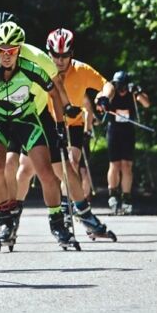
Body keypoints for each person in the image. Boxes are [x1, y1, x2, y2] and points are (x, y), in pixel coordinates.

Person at [0, 21, 81, 249]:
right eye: (2, 51)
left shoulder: (30, 66)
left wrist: (60, 126)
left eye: (12, 50)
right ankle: (4, 220)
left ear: (19, 49)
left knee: (45, 172)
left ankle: (57, 223)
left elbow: (53, 92)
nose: (7, 56)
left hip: (25, 116)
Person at [44, 28, 115, 221]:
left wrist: (104, 98)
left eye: (65, 56)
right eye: (56, 56)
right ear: (49, 53)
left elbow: (107, 85)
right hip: (49, 121)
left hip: (74, 123)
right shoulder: (42, 69)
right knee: (39, 168)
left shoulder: (82, 70)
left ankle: (67, 206)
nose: (60, 61)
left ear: (71, 53)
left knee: (72, 161)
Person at [99, 70, 151, 215]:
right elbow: (100, 97)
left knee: (127, 165)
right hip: (113, 131)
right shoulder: (112, 91)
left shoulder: (132, 93)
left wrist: (139, 92)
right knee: (114, 164)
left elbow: (146, 104)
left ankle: (126, 197)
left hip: (128, 131)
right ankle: (113, 194)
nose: (121, 90)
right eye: (119, 86)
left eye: (124, 86)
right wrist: (102, 102)